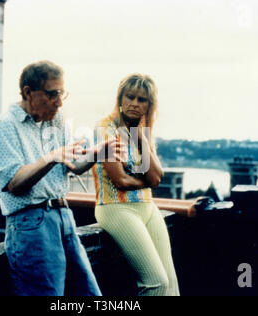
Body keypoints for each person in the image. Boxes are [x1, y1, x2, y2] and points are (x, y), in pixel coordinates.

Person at [0, 60, 124, 296]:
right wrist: (51, 157)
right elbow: (13, 184)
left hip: (64, 217)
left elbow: (74, 166)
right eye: (52, 94)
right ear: (28, 92)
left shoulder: (58, 120)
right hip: (31, 224)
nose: (59, 103)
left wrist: (97, 152)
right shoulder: (5, 126)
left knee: (89, 294)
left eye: (62, 94)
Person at [92, 73, 184, 296]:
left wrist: (141, 137)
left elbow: (156, 174)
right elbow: (121, 180)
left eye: (142, 100)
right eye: (130, 97)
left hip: (147, 208)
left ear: (149, 104)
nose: (134, 104)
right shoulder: (106, 128)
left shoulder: (142, 131)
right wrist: (148, 182)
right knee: (156, 283)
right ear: (120, 98)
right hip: (116, 208)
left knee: (171, 287)